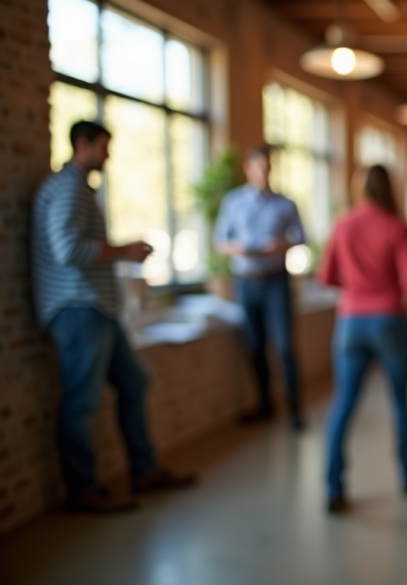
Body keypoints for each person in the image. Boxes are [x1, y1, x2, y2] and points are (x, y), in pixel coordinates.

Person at [31, 120, 196, 513]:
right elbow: (68, 250)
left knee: (135, 382)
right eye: (103, 147)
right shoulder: (68, 189)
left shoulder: (77, 190)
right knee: (81, 401)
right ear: (82, 144)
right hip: (77, 309)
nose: (108, 155)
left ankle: (143, 469)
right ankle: (82, 489)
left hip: (97, 309)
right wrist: (123, 251)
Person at [318, 165, 407, 514]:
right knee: (399, 400)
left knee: (343, 404)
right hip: (389, 319)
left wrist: (355, 289)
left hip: (351, 321)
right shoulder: (397, 226)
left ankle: (334, 488)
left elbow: (325, 277)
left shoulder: (342, 223)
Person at [214, 145, 306, 430]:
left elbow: (301, 237)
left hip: (276, 280)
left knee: (285, 346)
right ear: (248, 168)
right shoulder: (233, 203)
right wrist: (237, 248)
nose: (264, 173)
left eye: (268, 168)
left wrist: (283, 244)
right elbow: (220, 241)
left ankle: (295, 410)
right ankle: (265, 404)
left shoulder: (285, 204)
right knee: (254, 346)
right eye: (259, 167)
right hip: (246, 281)